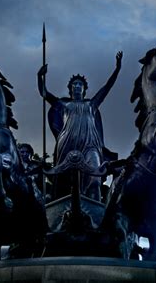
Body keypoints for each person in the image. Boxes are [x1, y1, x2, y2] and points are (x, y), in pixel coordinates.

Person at [37, 51, 122, 201]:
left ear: (84, 89)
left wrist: (117, 68)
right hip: (67, 145)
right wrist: (40, 76)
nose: (77, 86)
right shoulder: (63, 104)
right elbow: (44, 93)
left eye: (80, 84)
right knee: (65, 184)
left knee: (94, 178)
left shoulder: (92, 104)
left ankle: (95, 212)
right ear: (70, 88)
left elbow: (107, 87)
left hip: (90, 145)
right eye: (74, 84)